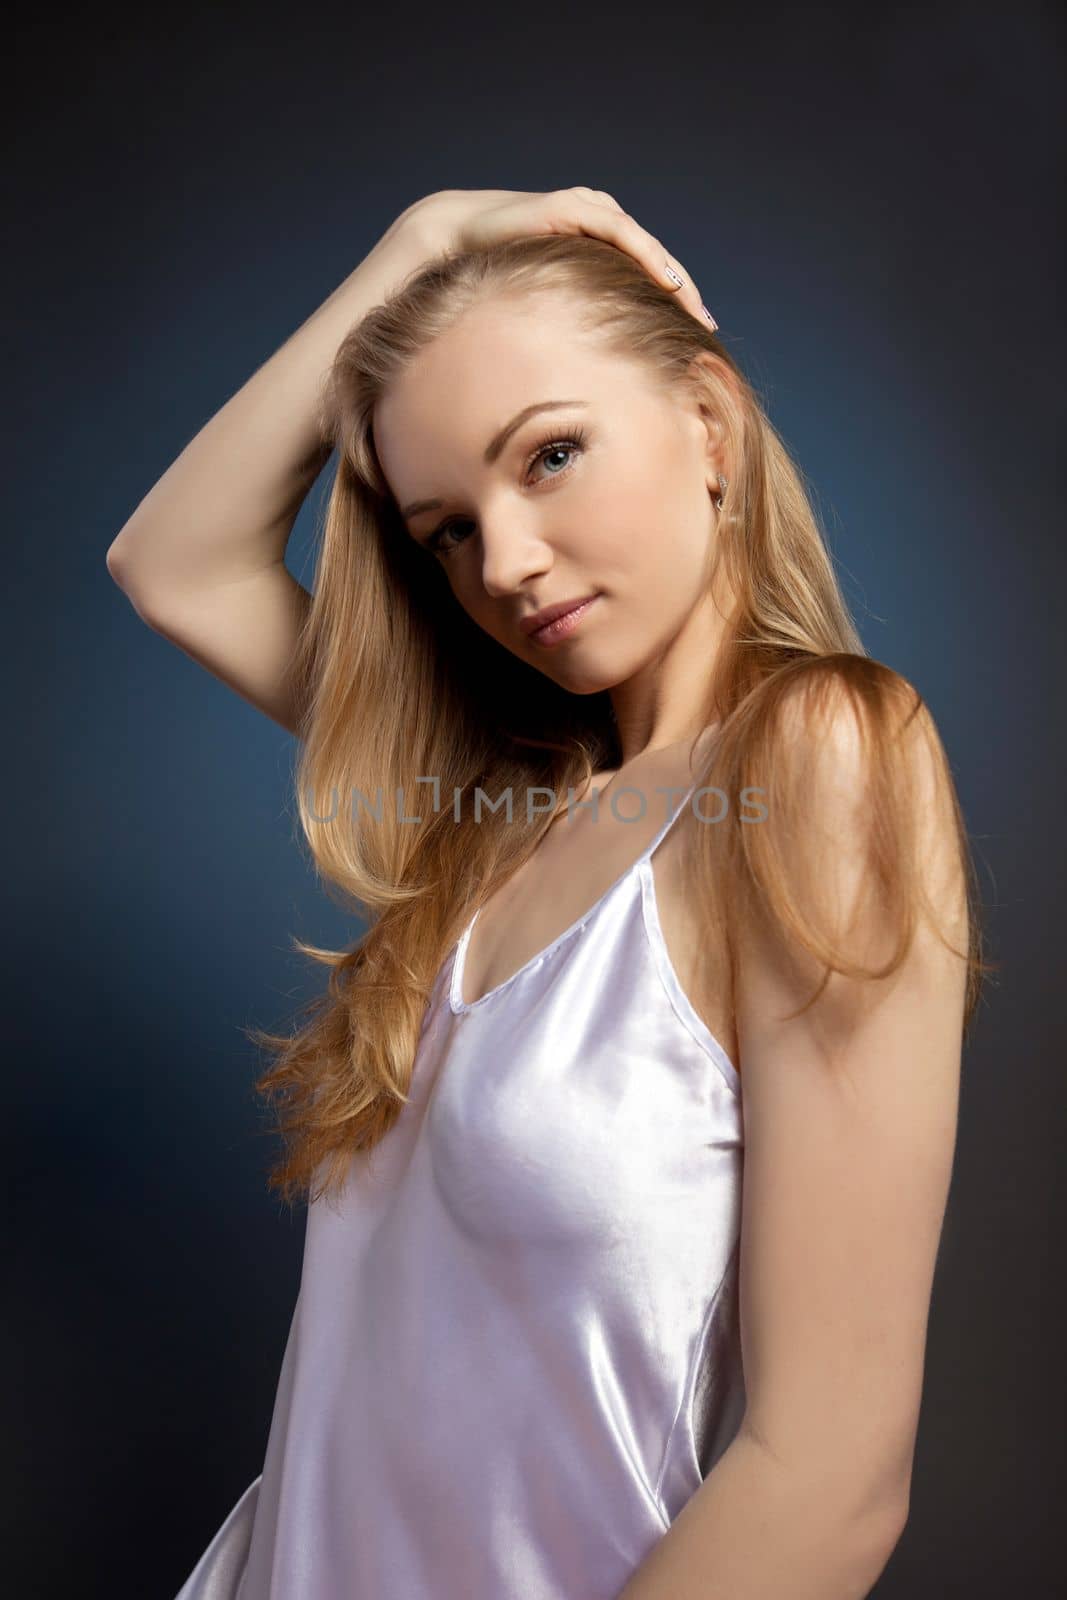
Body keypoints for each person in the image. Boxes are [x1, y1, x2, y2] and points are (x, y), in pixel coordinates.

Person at [107, 187, 992, 1600]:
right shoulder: (495, 811)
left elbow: (830, 1478)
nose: (505, 564)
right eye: (445, 529)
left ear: (710, 423)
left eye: (554, 456)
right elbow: (173, 564)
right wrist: (420, 240)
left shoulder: (822, 755)